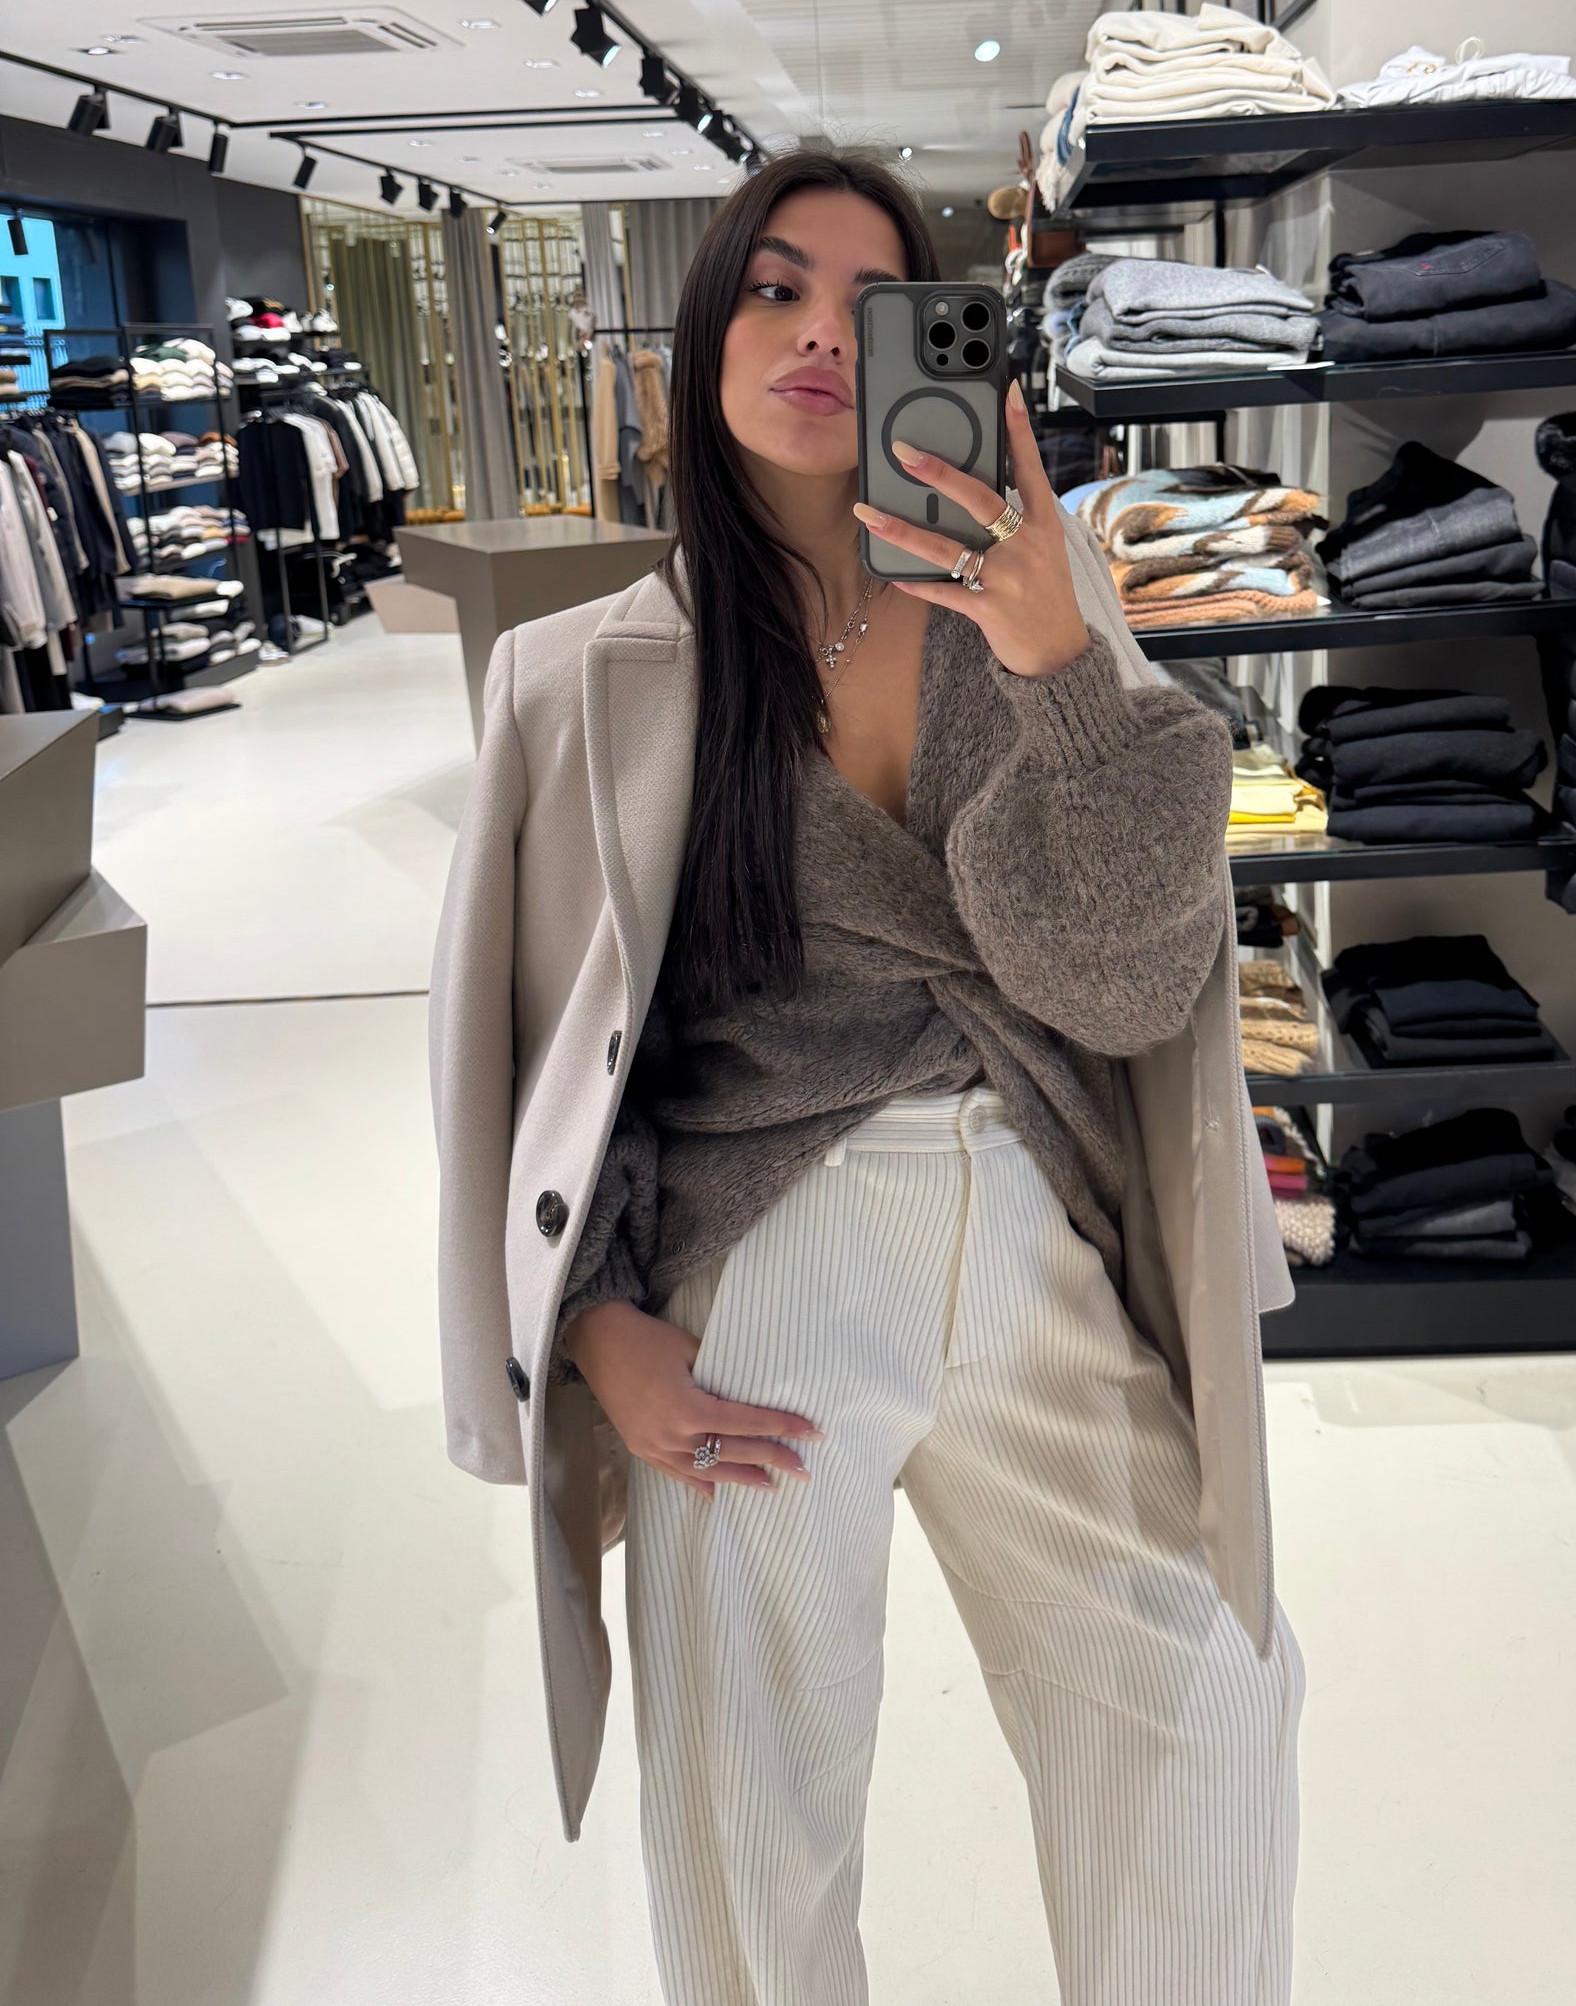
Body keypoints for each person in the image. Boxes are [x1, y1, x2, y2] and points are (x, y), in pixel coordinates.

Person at [429, 145, 1304, 2006]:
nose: (824, 334)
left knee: (1202, 1708)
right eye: (775, 289)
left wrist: (1060, 660)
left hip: (1039, 1224)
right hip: (758, 1267)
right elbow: (527, 1068)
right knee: (749, 1823)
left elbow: (1130, 988)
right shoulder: (580, 678)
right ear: (703, 335)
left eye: (877, 305)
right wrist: (594, 1320)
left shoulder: (1043, 620)